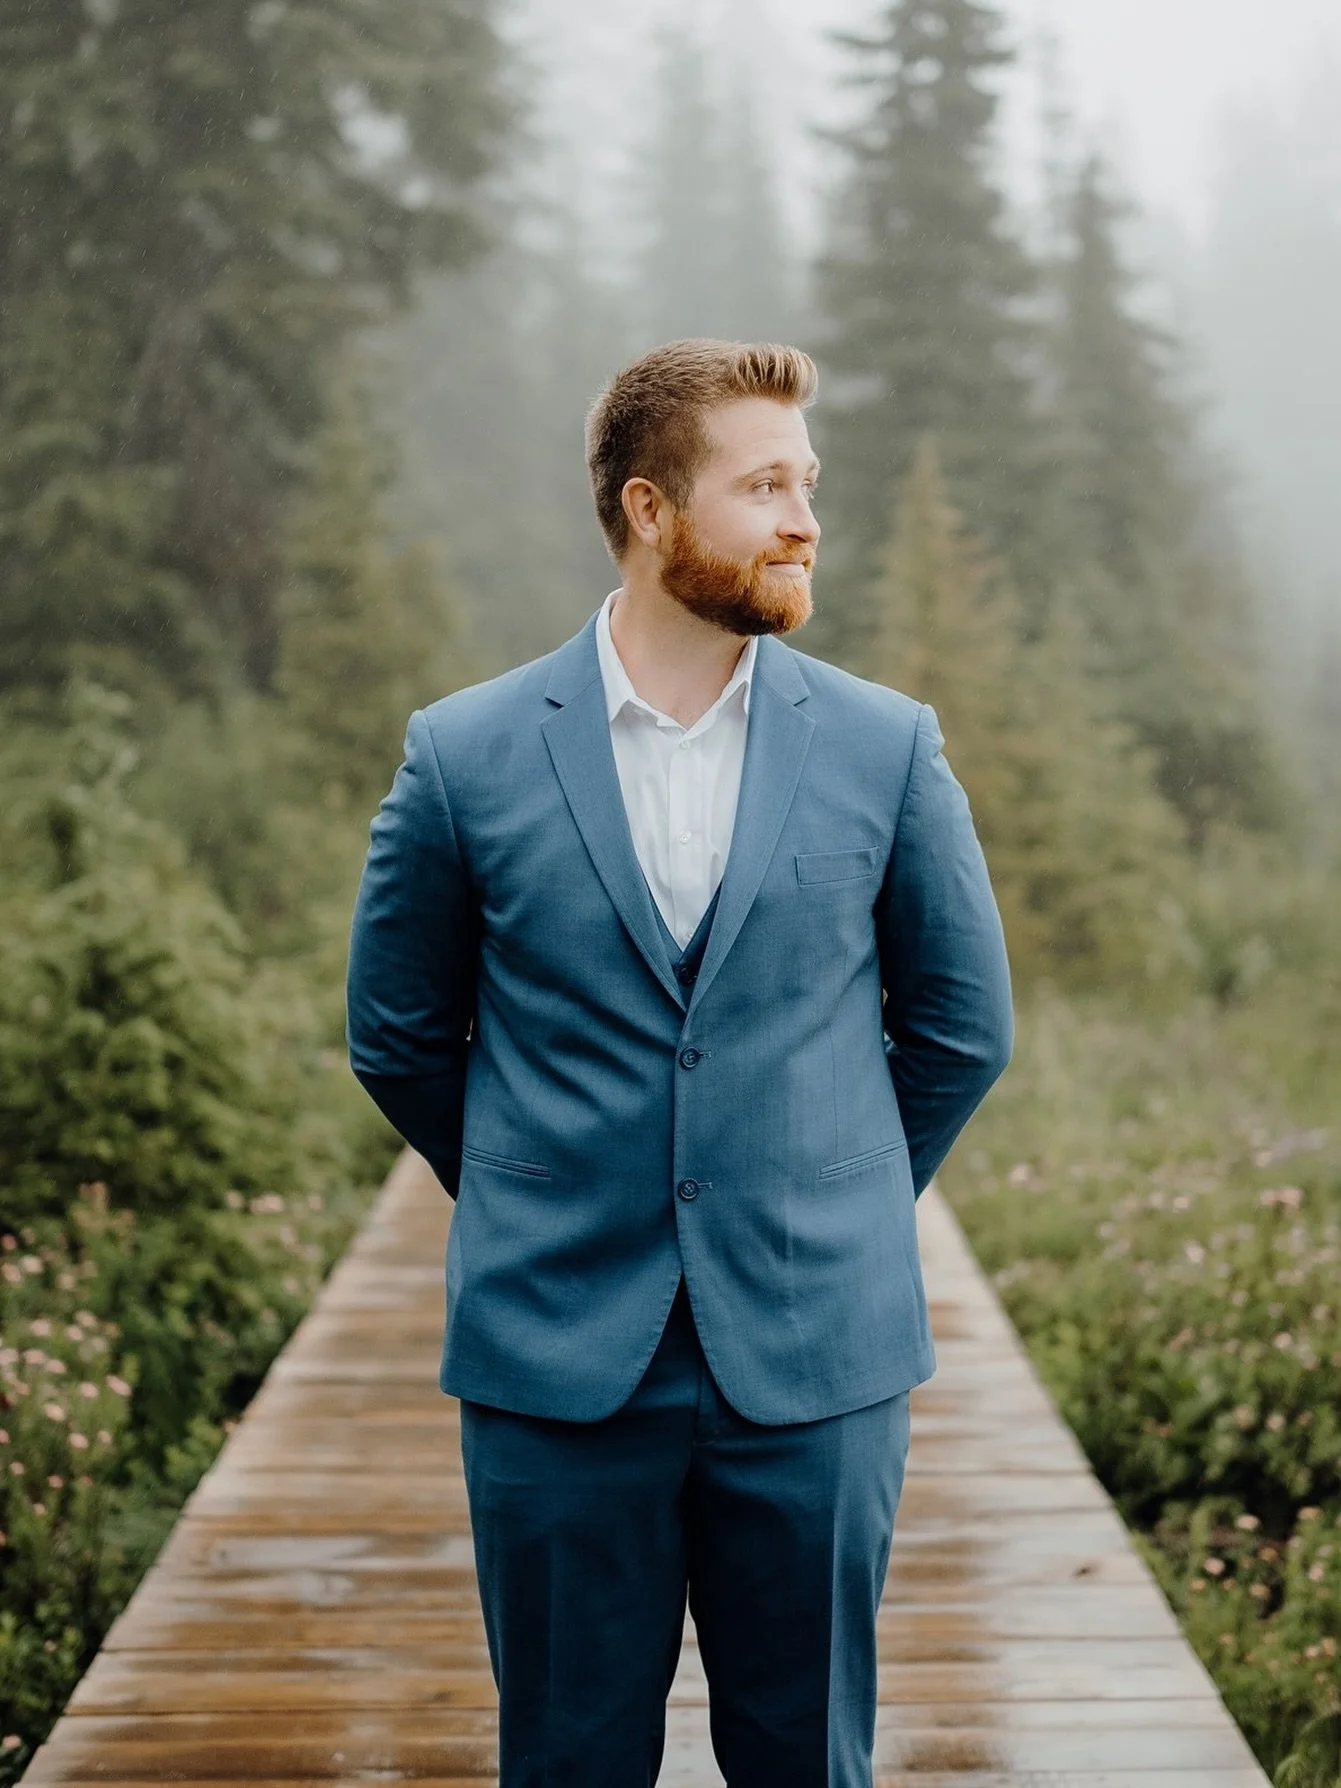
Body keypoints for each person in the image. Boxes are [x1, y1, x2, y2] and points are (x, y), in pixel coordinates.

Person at [345, 339, 1013, 1787]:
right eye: (764, 484)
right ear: (651, 511)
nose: (804, 518)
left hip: (820, 1357)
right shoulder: (462, 756)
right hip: (557, 1362)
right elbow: (395, 1033)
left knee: (806, 1760)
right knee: (570, 1762)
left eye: (809, 484)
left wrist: (825, 1197)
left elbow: (966, 1029)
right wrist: (542, 1186)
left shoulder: (887, 747)